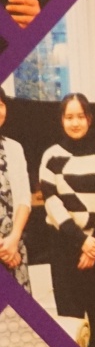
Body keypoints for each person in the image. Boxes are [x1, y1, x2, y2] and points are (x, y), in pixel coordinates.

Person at [38, 95, 95, 347]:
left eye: (80, 117)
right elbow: (52, 203)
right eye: (69, 117)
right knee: (70, 323)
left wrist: (94, 242)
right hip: (65, 250)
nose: (75, 123)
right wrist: (82, 242)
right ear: (62, 120)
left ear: (89, 119)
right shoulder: (51, 156)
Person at [0, 88, 30, 294]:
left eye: (1, 105)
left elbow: (24, 199)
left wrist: (13, 241)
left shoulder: (15, 148)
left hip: (14, 247)